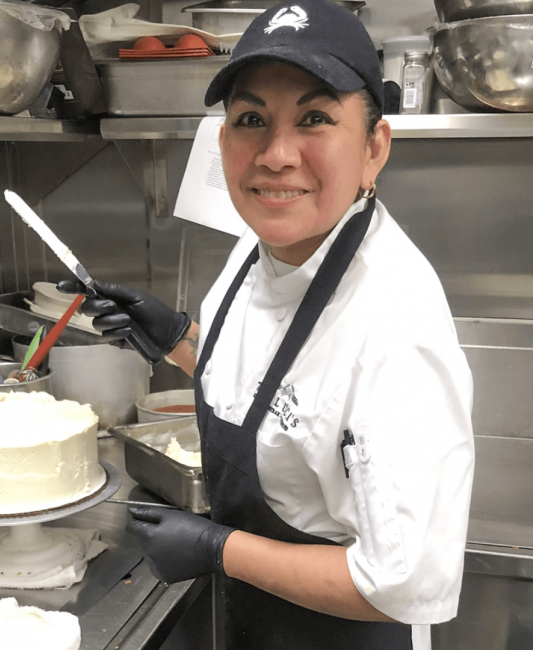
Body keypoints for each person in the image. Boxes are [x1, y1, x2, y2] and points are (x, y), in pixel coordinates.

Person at [59, 1, 474, 648]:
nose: (277, 155)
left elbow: (400, 584)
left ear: (374, 149)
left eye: (315, 118)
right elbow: (293, 400)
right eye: (251, 119)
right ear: (223, 140)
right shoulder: (264, 246)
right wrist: (182, 342)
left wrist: (220, 549)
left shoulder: (394, 327)